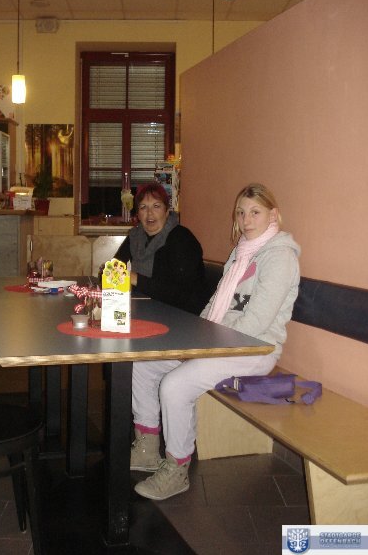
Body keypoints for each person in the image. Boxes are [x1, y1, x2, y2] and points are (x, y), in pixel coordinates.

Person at [131, 182, 300, 500]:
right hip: (219, 342)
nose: (246, 220)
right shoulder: (242, 252)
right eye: (241, 212)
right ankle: (147, 447)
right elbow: (215, 304)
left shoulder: (279, 258)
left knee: (175, 386)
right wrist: (195, 338)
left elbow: (255, 324)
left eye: (255, 212)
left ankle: (177, 468)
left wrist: (203, 349)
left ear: (273, 215)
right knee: (144, 363)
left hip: (254, 349)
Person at [113, 182, 210, 315]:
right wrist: (109, 273)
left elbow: (181, 294)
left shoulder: (182, 238)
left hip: (183, 315)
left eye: (156, 206)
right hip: (145, 309)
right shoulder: (135, 237)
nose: (149, 213)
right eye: (143, 207)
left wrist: (135, 279)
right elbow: (112, 270)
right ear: (138, 214)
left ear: (166, 211)